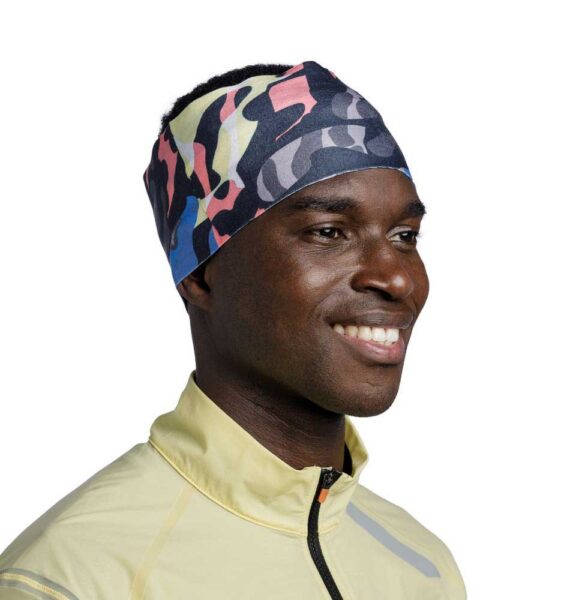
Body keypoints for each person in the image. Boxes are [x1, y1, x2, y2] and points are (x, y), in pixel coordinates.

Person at [0, 60, 467, 599]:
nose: (396, 277)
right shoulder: (71, 579)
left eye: (405, 235)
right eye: (329, 232)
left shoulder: (422, 567)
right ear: (201, 272)